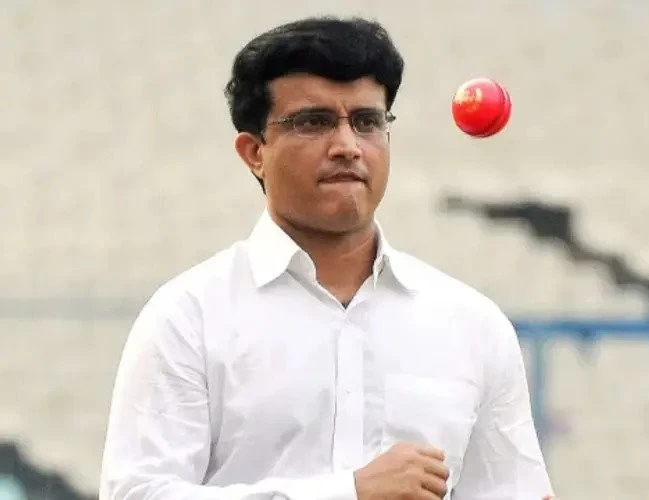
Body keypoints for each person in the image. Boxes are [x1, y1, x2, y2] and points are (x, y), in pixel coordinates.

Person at [99, 15, 555, 500]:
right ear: (254, 152)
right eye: (313, 122)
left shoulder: (474, 325)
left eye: (367, 122)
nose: (347, 147)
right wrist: (348, 493)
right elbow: (137, 494)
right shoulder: (188, 317)